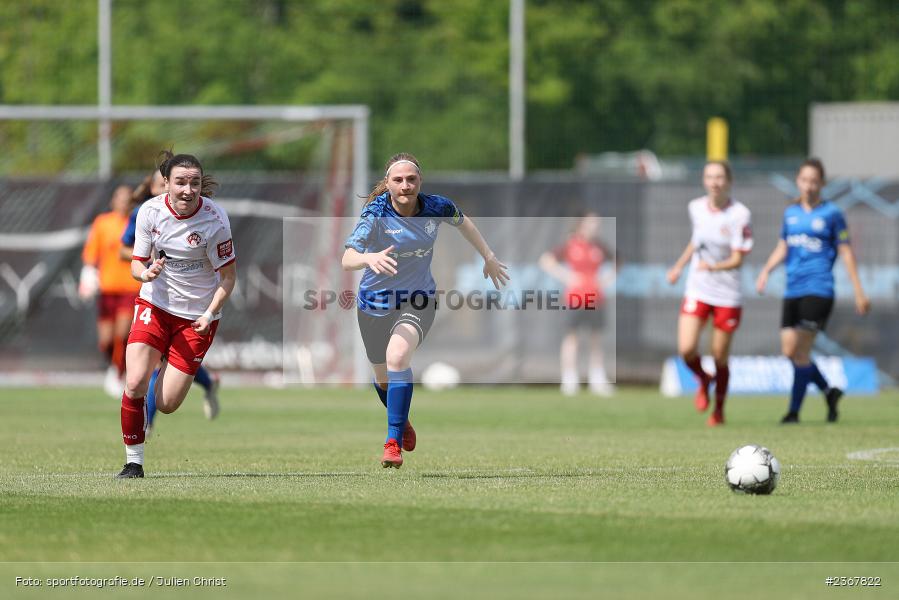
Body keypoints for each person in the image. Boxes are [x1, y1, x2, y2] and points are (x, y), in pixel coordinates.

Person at [342, 153, 509, 469]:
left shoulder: (437, 206)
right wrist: (368, 258)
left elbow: (465, 223)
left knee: (397, 357)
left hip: (419, 299)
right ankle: (401, 419)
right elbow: (347, 258)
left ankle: (392, 442)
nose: (405, 185)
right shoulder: (376, 213)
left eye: (411, 179)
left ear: (420, 181)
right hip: (374, 305)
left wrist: (488, 256)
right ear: (388, 184)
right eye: (398, 180)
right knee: (383, 380)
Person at [116, 152, 236, 478]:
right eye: (180, 182)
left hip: (197, 317)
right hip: (154, 306)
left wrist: (210, 313)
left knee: (167, 403)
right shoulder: (149, 212)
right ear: (166, 183)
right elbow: (136, 262)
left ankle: (176, 362)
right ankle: (133, 462)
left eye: (194, 183)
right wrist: (145, 274)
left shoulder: (215, 219)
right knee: (135, 382)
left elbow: (228, 277)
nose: (188, 190)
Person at [756, 158, 869, 424]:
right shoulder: (790, 213)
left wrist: (859, 290)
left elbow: (846, 252)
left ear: (822, 183)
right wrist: (766, 270)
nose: (809, 186)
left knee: (801, 351)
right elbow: (783, 246)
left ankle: (793, 412)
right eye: (804, 180)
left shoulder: (832, 214)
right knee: (790, 351)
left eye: (814, 181)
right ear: (798, 181)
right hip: (792, 290)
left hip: (819, 289)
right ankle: (829, 392)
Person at [121, 168, 221, 427]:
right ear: (157, 187)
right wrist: (145, 262)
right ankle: (145, 426)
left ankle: (207, 384)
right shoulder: (144, 213)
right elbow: (124, 250)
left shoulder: (203, 217)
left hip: (186, 305)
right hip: (152, 293)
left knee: (169, 367)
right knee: (152, 367)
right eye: (160, 185)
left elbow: (225, 269)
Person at [666, 161, 753, 426]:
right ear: (704, 180)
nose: (714, 182)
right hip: (698, 288)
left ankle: (719, 410)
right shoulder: (695, 207)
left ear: (729, 181)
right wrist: (679, 267)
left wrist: (713, 266)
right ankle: (703, 378)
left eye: (719, 177)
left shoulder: (740, 214)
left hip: (727, 294)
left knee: (719, 355)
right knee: (686, 349)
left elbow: (738, 259)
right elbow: (697, 241)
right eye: (709, 177)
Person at [539, 212, 616, 396]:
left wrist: (606, 279)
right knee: (572, 338)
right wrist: (567, 276)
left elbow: (617, 261)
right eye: (591, 223)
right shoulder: (570, 244)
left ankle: (597, 379)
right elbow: (546, 261)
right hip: (575, 298)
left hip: (596, 298)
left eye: (597, 224)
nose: (594, 227)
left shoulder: (599, 246)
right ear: (581, 225)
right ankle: (569, 379)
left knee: (596, 339)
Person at [79, 185, 142, 397]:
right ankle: (114, 366)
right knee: (105, 341)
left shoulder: (137, 222)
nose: (124, 202)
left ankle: (119, 373)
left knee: (122, 334)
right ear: (113, 201)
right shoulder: (103, 223)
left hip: (131, 288)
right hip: (107, 290)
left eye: (128, 199)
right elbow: (91, 253)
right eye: (120, 198)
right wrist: (88, 275)